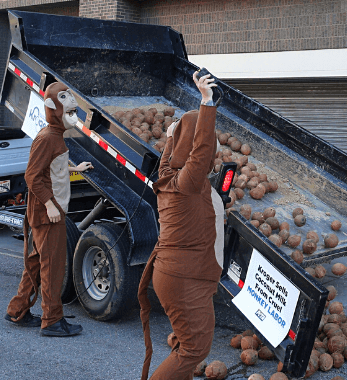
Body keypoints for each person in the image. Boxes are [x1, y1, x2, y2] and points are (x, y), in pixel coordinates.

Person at [138, 71, 225, 380]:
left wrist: (175, 133)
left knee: (185, 344)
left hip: (180, 275)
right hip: (184, 277)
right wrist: (206, 102)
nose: (212, 147)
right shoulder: (187, 182)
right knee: (194, 349)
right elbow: (200, 152)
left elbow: (185, 148)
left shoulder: (166, 174)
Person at [5, 82, 93, 337]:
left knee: (35, 263)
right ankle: (52, 321)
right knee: (52, 267)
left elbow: (51, 169)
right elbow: (32, 176)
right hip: (48, 214)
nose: (72, 104)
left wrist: (76, 169)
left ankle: (17, 310)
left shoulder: (55, 136)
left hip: (47, 211)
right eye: (65, 99)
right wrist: (50, 205)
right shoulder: (47, 138)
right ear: (52, 107)